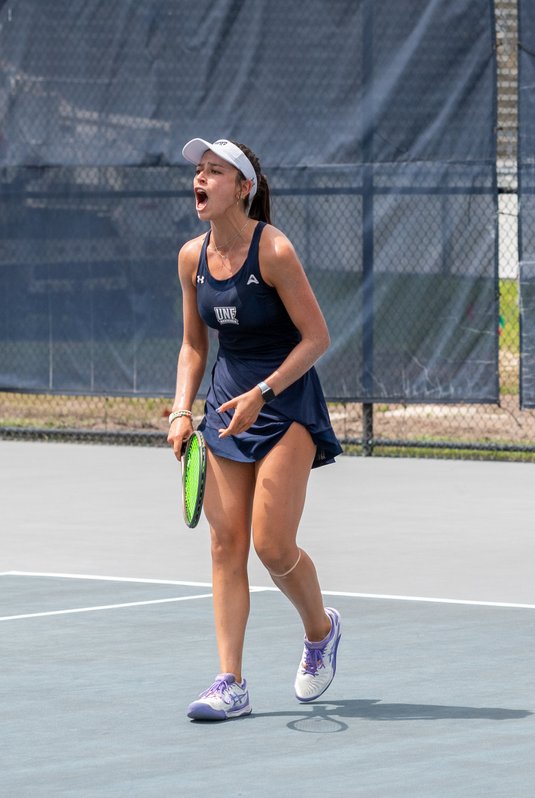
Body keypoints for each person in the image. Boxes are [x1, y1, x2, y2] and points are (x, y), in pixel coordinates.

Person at [167, 137, 344, 721]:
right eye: (199, 171)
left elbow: (316, 338)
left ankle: (320, 631)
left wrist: (263, 392)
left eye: (215, 172)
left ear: (243, 187)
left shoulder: (275, 251)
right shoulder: (191, 258)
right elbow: (195, 345)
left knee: (271, 543)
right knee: (225, 544)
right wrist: (180, 409)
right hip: (223, 406)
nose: (201, 180)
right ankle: (230, 682)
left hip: (285, 402)